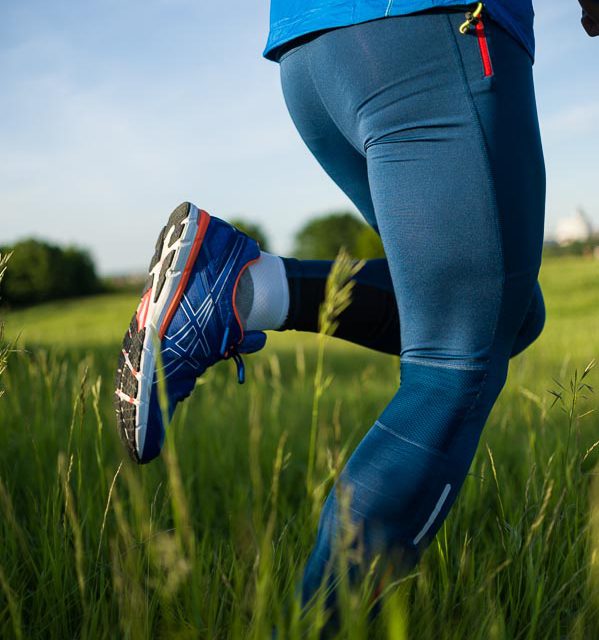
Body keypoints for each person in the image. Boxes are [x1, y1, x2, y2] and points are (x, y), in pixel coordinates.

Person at [114, 0, 599, 620]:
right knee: (457, 366)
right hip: (435, 37)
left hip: (312, 52)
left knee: (509, 311)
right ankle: (317, 629)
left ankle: (244, 290)